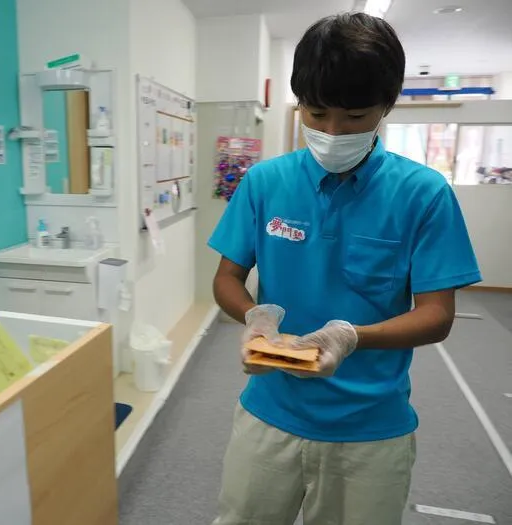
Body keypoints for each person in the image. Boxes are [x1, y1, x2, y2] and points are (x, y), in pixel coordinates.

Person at [209, 12, 481, 525]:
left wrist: (349, 337)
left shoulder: (423, 194)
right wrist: (254, 319)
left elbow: (437, 316)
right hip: (269, 410)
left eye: (355, 117)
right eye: (315, 114)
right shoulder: (264, 182)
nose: (333, 132)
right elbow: (227, 279)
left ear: (386, 106)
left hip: (371, 430)